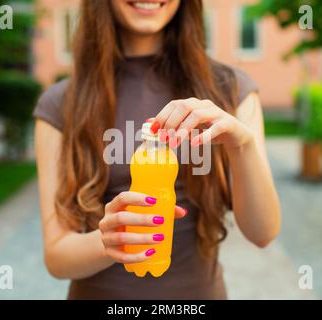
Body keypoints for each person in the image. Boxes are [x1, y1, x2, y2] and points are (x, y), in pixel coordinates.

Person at [33, 0, 281, 299]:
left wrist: (243, 144)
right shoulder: (61, 103)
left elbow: (263, 233)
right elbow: (57, 257)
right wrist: (110, 240)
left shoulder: (230, 89)